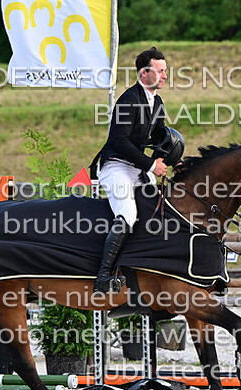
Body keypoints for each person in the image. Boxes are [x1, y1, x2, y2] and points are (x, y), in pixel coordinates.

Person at [93, 47, 169, 294]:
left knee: (157, 208)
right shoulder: (128, 100)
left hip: (136, 168)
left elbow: (160, 138)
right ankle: (103, 276)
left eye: (166, 71)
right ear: (144, 73)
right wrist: (150, 165)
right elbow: (119, 142)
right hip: (115, 166)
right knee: (127, 213)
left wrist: (171, 159)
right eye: (160, 71)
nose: (165, 76)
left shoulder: (156, 102)